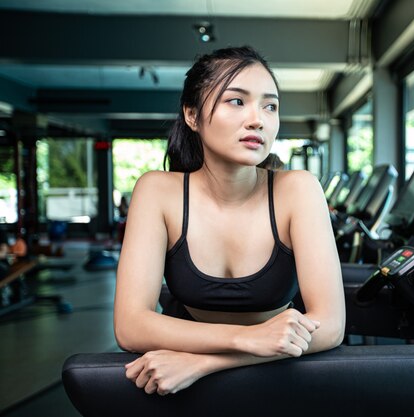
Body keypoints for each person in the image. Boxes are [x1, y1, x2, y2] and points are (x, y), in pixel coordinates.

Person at [114, 46, 345, 396]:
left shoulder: (298, 190)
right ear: (192, 116)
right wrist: (250, 338)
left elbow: (330, 326)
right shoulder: (157, 191)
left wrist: (207, 362)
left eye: (270, 106)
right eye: (237, 101)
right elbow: (130, 326)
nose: (258, 119)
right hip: (178, 392)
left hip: (274, 377)